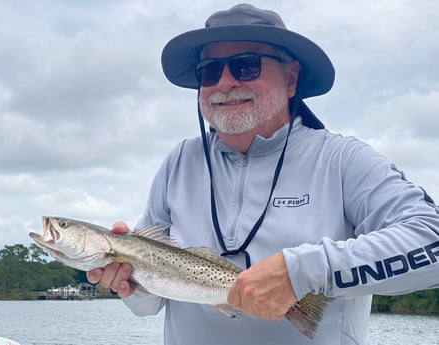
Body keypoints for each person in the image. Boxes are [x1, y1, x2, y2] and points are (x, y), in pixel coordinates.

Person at [87, 4, 439, 344]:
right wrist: (129, 284)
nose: (223, 82)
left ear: (291, 78)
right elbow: (150, 305)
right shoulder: (178, 163)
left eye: (245, 66)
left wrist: (301, 271)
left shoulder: (342, 159)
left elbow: (431, 240)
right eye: (209, 71)